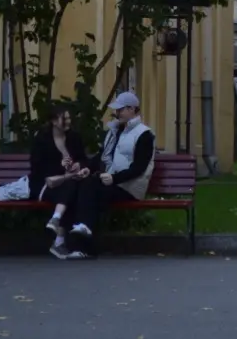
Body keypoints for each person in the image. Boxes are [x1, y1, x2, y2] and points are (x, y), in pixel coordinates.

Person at [44, 91, 155, 260]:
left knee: (90, 189)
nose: (117, 113)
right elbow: (101, 156)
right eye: (116, 110)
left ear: (132, 109)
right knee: (82, 184)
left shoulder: (144, 134)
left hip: (129, 187)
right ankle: (81, 239)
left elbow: (139, 168)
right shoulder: (115, 131)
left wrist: (114, 178)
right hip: (111, 182)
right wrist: (87, 168)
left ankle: (83, 241)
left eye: (121, 110)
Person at [29, 104, 90, 260]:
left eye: (69, 118)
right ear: (54, 121)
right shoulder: (42, 139)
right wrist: (60, 168)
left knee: (73, 188)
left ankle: (56, 222)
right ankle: (60, 241)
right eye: (65, 118)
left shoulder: (74, 137)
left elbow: (83, 158)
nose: (68, 122)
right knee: (71, 189)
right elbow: (37, 167)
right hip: (44, 184)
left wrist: (79, 166)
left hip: (67, 182)